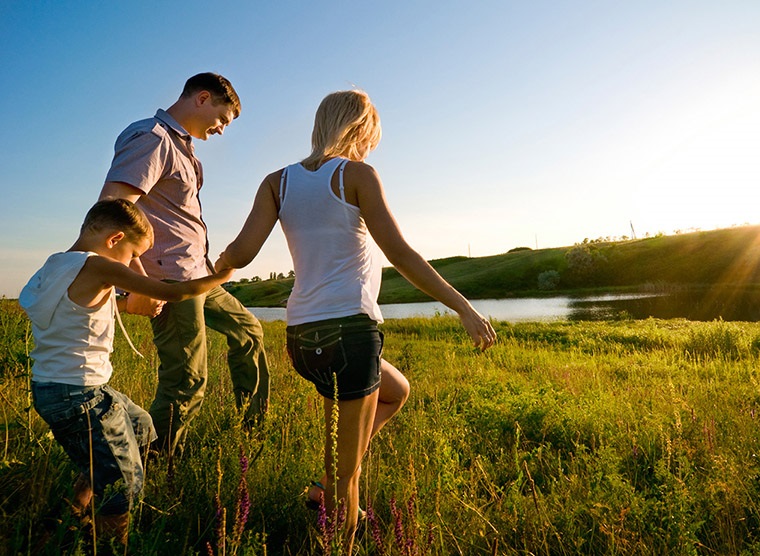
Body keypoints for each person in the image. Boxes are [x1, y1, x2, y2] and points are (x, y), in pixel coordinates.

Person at [215, 89, 497, 551]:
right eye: (372, 136)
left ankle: (324, 488)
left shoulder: (276, 182)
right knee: (351, 473)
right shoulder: (357, 175)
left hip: (302, 338)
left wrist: (207, 271)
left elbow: (241, 254)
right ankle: (339, 536)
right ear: (360, 129)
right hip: (349, 335)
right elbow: (402, 255)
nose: (371, 146)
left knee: (397, 391)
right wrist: (464, 307)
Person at [20, 199, 235, 545]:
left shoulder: (55, 265)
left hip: (54, 390)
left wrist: (123, 304)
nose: (136, 264)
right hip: (81, 397)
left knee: (140, 424)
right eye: (134, 254)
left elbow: (72, 308)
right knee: (124, 482)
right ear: (115, 239)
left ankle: (70, 515)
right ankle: (105, 545)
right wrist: (223, 273)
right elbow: (175, 291)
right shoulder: (101, 266)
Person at [98, 72, 269, 454]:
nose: (222, 129)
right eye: (223, 119)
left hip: (198, 275)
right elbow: (112, 209)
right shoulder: (152, 138)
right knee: (187, 382)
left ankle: (254, 429)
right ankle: (147, 467)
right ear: (202, 98)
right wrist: (137, 283)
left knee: (250, 332)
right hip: (169, 282)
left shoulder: (183, 148)